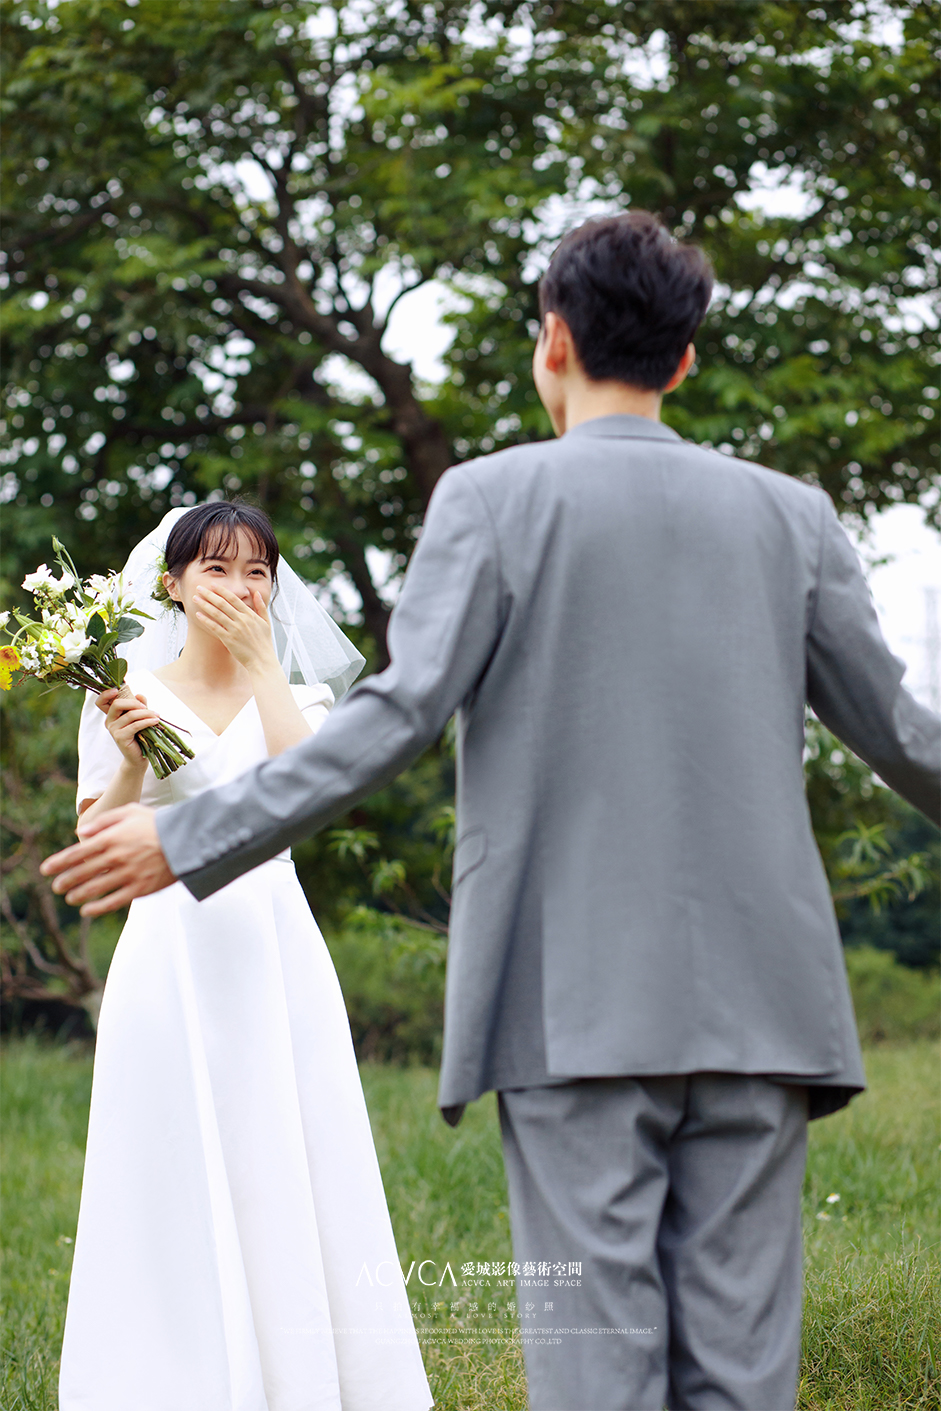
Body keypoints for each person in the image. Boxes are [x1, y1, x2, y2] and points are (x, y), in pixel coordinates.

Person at [45, 213, 940, 1411]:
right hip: (767, 1009)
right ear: (683, 360)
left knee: (598, 1373)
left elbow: (397, 716)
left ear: (551, 341)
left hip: (569, 1003)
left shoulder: (490, 500)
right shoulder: (793, 516)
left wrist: (187, 834)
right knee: (740, 1381)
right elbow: (902, 737)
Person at [57, 501, 432, 1411]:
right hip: (169, 952)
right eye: (216, 568)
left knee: (290, 1151)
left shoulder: (296, 699)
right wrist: (131, 758)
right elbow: (96, 838)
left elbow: (311, 797)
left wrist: (264, 664)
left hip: (274, 945)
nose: (238, 587)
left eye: (257, 570)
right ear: (173, 584)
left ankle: (306, 1377)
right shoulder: (124, 693)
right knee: (167, 1153)